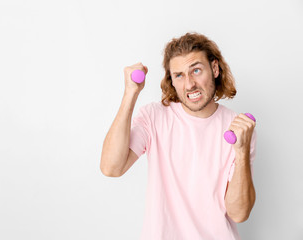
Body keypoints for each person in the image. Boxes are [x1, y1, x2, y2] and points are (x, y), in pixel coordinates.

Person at [100, 32, 257, 240]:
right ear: (172, 81)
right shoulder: (154, 117)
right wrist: (131, 93)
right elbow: (111, 167)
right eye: (179, 75)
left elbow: (238, 213)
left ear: (215, 69)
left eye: (196, 70)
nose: (189, 84)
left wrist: (242, 151)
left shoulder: (238, 128)